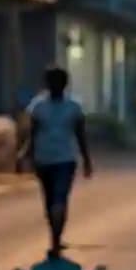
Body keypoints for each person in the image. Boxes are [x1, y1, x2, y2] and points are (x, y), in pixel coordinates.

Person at [20, 68, 93, 259]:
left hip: (43, 158)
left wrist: (25, 155)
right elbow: (81, 135)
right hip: (65, 159)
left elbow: (32, 135)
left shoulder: (38, 106)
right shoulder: (74, 107)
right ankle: (56, 238)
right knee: (60, 199)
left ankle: (54, 236)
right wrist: (87, 160)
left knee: (49, 198)